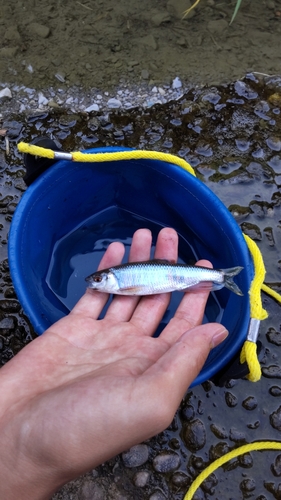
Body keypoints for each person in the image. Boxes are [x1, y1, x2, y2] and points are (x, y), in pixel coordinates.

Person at [0, 227, 228, 499]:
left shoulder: (121, 279)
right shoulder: (118, 280)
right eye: (96, 279)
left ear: (108, 278)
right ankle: (218, 277)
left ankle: (219, 278)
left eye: (97, 280)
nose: (93, 283)